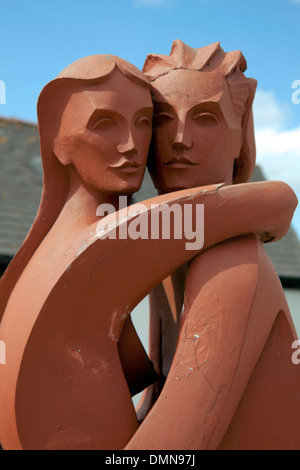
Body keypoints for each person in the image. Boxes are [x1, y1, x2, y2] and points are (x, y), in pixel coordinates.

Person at [126, 40, 300, 450]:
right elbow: (158, 399)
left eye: (205, 117)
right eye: (163, 119)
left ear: (241, 138)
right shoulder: (170, 254)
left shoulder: (233, 265)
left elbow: (175, 446)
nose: (180, 139)